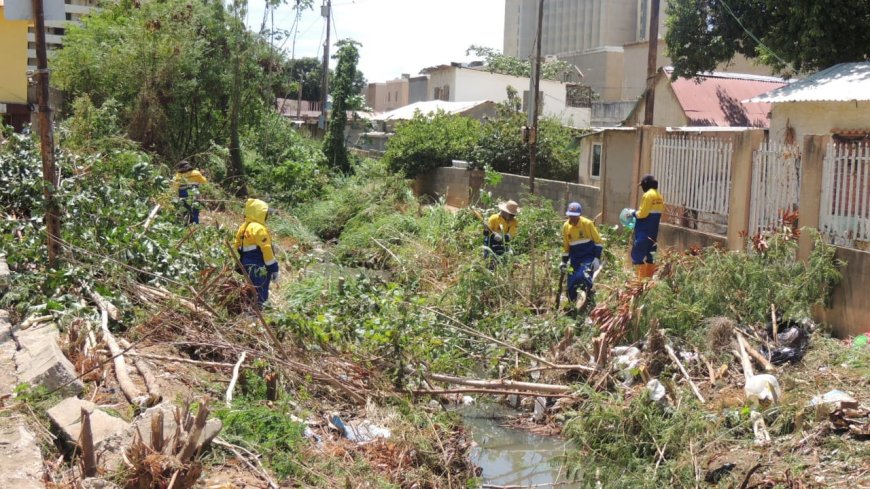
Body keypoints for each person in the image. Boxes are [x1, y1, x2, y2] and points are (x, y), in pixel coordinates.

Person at [234, 198, 280, 306]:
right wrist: (274, 268)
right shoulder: (259, 229)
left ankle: (249, 312)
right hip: (259, 265)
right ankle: (257, 314)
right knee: (260, 291)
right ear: (261, 213)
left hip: (245, 264)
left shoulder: (243, 227)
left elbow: (237, 245)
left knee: (250, 289)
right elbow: (267, 249)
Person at [560, 202, 603, 308]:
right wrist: (564, 261)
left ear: (579, 215)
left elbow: (598, 241)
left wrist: (596, 258)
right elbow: (566, 247)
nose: (572, 218)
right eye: (570, 215)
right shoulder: (566, 226)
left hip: (588, 257)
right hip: (575, 259)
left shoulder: (587, 224)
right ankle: (570, 307)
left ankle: (588, 300)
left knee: (583, 277)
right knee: (571, 284)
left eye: (575, 216)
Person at [631, 174, 665, 279]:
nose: (642, 188)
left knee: (638, 256)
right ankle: (649, 281)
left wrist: (633, 213)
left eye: (642, 186)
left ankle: (638, 282)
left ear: (646, 184)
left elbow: (643, 213)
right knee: (651, 256)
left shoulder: (647, 195)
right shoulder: (659, 196)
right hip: (653, 233)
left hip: (643, 232)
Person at [483, 200, 519, 265]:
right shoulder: (494, 218)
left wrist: (501, 237)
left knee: (504, 260)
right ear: (505, 211)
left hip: (503, 243)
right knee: (489, 260)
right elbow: (486, 234)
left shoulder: (514, 222)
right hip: (490, 242)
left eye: (513, 215)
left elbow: (510, 235)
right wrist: (486, 229)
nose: (512, 216)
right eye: (511, 214)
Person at [172, 160, 208, 225]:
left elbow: (174, 188)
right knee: (195, 212)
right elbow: (204, 181)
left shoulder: (178, 176)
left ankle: (186, 226)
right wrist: (204, 175)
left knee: (185, 212)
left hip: (183, 197)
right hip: (195, 195)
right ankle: (195, 227)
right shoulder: (196, 173)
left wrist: (175, 197)